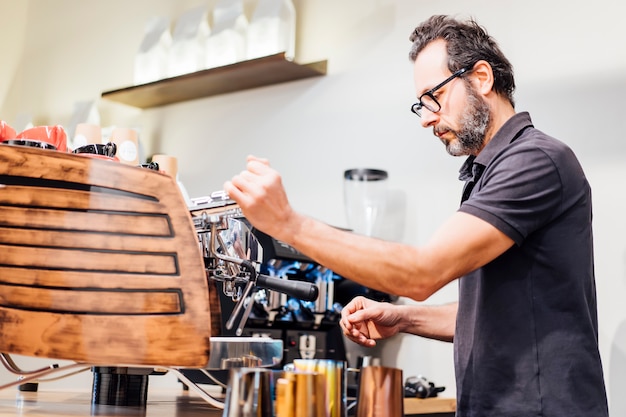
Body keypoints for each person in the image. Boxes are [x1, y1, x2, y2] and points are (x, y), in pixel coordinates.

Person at [223, 15, 609, 417]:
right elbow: (490, 315)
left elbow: (421, 274)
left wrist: (288, 224)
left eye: (434, 96)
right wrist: (404, 317)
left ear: (480, 78)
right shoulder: (489, 171)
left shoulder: (535, 161)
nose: (425, 118)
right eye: (420, 104)